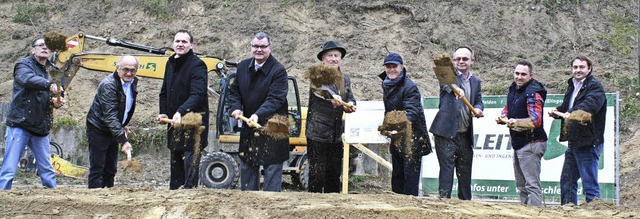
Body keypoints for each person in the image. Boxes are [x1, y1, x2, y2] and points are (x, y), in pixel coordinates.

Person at [0, 35, 64, 189]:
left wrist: (57, 100)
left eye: (47, 45)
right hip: (20, 123)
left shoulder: (54, 70)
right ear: (32, 49)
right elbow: (27, 79)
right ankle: (3, 198)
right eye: (40, 45)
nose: (44, 47)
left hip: (40, 126)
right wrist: (50, 85)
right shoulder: (23, 65)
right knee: (9, 167)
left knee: (47, 169)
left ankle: (54, 199)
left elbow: (58, 92)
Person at [228, 32, 289, 192]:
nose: (259, 50)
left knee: (272, 173)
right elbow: (234, 91)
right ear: (251, 47)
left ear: (270, 48)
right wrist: (235, 107)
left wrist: (257, 115)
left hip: (273, 128)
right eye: (255, 46)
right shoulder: (242, 66)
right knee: (247, 169)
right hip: (250, 129)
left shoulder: (279, 71)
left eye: (263, 47)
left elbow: (275, 99)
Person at [549, 55, 606, 205]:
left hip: (589, 142)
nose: (578, 70)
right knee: (567, 181)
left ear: (589, 69)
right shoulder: (572, 85)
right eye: (575, 67)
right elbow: (568, 107)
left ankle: (596, 214)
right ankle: (568, 211)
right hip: (573, 142)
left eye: (581, 67)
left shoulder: (595, 87)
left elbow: (590, 106)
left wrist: (571, 111)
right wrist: (558, 111)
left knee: (590, 185)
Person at [429, 46, 484, 200]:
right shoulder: (447, 75)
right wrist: (456, 89)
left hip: (464, 134)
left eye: (465, 58)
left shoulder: (476, 81)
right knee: (447, 171)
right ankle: (444, 205)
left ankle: (466, 206)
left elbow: (478, 100)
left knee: (465, 173)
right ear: (453, 61)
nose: (461, 61)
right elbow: (447, 85)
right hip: (445, 132)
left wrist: (478, 109)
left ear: (472, 61)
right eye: (458, 59)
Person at [157, 30, 209, 190]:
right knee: (175, 158)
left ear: (191, 45)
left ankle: (189, 195)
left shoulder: (198, 65)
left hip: (194, 123)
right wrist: (164, 111)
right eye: (177, 41)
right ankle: (174, 194)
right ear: (173, 44)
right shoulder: (170, 62)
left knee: (190, 160)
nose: (180, 44)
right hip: (175, 122)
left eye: (184, 42)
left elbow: (197, 94)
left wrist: (180, 111)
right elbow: (165, 91)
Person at [306, 40, 356, 193]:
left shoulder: (345, 78)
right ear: (323, 59)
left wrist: (351, 104)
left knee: (334, 175)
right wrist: (332, 96)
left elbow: (349, 96)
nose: (334, 58)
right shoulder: (316, 74)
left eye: (337, 56)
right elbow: (321, 90)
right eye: (330, 55)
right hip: (317, 132)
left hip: (335, 134)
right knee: (317, 175)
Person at [378, 53, 431, 196]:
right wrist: (387, 128)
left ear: (401, 67)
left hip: (412, 138)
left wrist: (392, 125)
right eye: (388, 67)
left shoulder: (409, 86)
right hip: (397, 138)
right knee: (397, 178)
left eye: (394, 66)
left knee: (410, 180)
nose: (391, 70)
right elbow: (389, 111)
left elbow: (412, 113)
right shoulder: (387, 83)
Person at [497, 60, 547, 206]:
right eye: (517, 73)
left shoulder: (533, 92)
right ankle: (524, 213)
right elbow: (507, 108)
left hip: (532, 142)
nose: (519, 77)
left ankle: (536, 214)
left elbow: (535, 120)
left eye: (523, 74)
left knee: (532, 185)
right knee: (521, 185)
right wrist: (503, 117)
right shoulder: (514, 89)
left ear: (530, 75)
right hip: (518, 142)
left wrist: (516, 122)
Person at [86, 55, 139, 188]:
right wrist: (123, 140)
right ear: (117, 69)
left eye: (133, 70)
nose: (129, 73)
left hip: (113, 129)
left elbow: (122, 106)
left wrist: (122, 124)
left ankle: (108, 198)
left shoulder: (132, 82)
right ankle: (94, 200)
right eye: (125, 69)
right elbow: (109, 115)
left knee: (110, 169)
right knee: (98, 168)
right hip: (99, 128)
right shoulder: (108, 85)